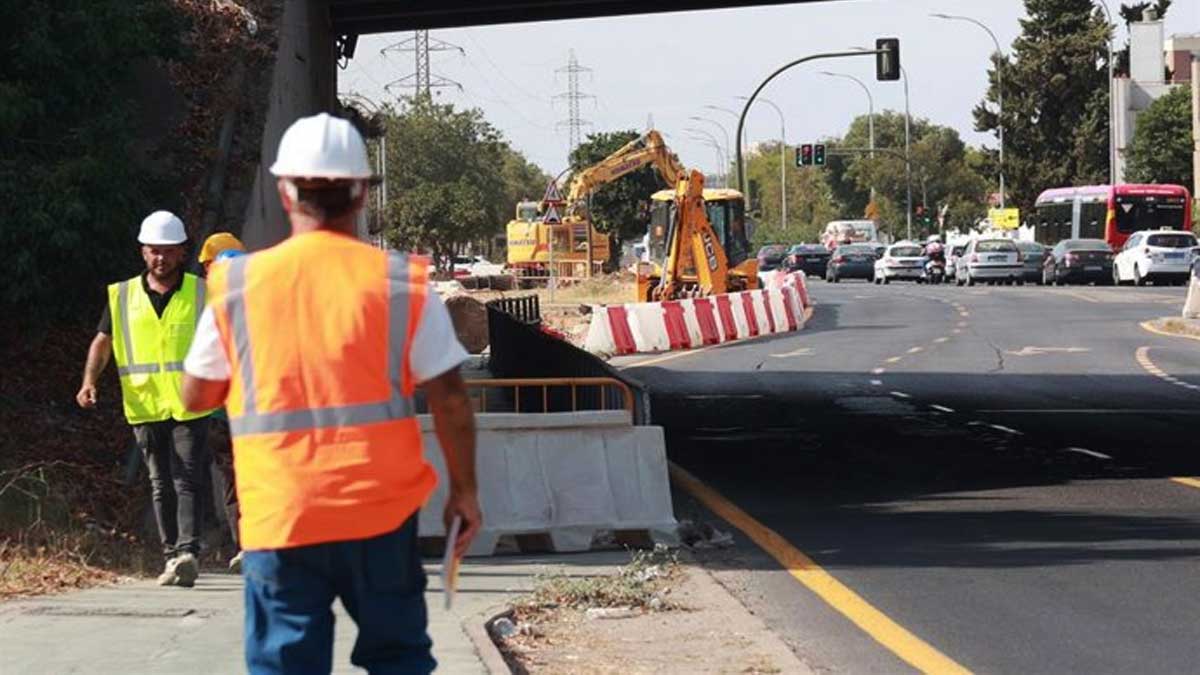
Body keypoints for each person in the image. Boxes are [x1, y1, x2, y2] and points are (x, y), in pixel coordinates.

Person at [180, 112, 481, 674]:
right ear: (363, 191)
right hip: (380, 515)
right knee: (399, 659)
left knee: (284, 665)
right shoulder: (401, 283)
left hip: (282, 512)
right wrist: (464, 492)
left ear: (284, 190)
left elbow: (196, 394)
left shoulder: (239, 285)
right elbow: (452, 399)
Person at [77, 210, 213, 588]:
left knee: (187, 477)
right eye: (155, 251)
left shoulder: (203, 291)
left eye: (169, 251)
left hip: (191, 400)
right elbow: (102, 342)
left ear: (182, 252)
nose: (161, 258)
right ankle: (171, 556)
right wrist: (90, 380)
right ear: (142, 252)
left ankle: (188, 552)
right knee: (160, 482)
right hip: (145, 402)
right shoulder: (121, 296)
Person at [198, 233, 248, 572]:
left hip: (224, 411)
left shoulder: (206, 304)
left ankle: (246, 546)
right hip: (248, 412)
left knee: (233, 481)